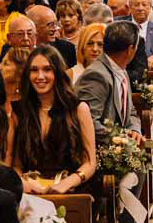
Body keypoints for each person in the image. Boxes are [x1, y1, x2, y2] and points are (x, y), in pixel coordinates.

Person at [8, 47, 99, 196]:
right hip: (30, 191)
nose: (40, 76)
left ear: (57, 73)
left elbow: (89, 163)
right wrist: (23, 183)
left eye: (47, 69)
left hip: (70, 189)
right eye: (34, 70)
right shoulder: (19, 111)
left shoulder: (78, 109)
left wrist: (66, 183)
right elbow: (16, 164)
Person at [75, 21, 139, 134]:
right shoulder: (96, 75)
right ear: (130, 50)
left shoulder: (122, 70)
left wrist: (135, 132)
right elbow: (89, 123)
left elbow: (131, 112)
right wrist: (122, 140)